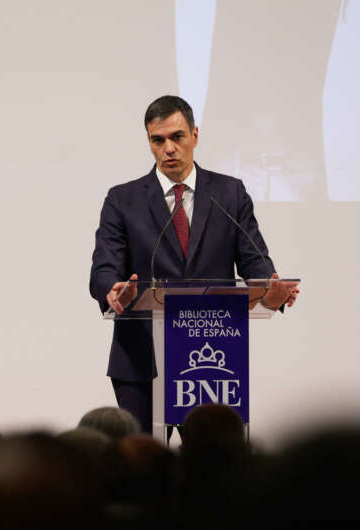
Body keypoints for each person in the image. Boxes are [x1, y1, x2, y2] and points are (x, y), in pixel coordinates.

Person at [89, 95, 299, 431]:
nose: (168, 148)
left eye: (177, 137)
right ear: (149, 142)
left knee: (212, 473)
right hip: (141, 360)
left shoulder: (229, 193)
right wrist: (111, 289)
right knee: (142, 471)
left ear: (195, 135)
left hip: (212, 359)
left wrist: (270, 289)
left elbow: (254, 260)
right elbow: (104, 267)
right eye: (158, 140)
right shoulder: (122, 199)